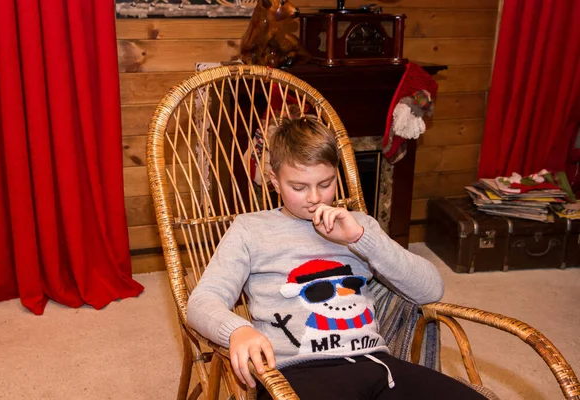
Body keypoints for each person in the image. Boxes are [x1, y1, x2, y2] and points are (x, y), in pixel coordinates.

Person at [187, 116, 486, 399]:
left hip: (378, 365)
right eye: (298, 187)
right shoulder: (251, 229)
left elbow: (430, 289)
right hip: (298, 375)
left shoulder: (358, 225)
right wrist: (238, 331)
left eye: (325, 183)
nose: (315, 197)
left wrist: (360, 239)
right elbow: (202, 301)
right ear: (274, 181)